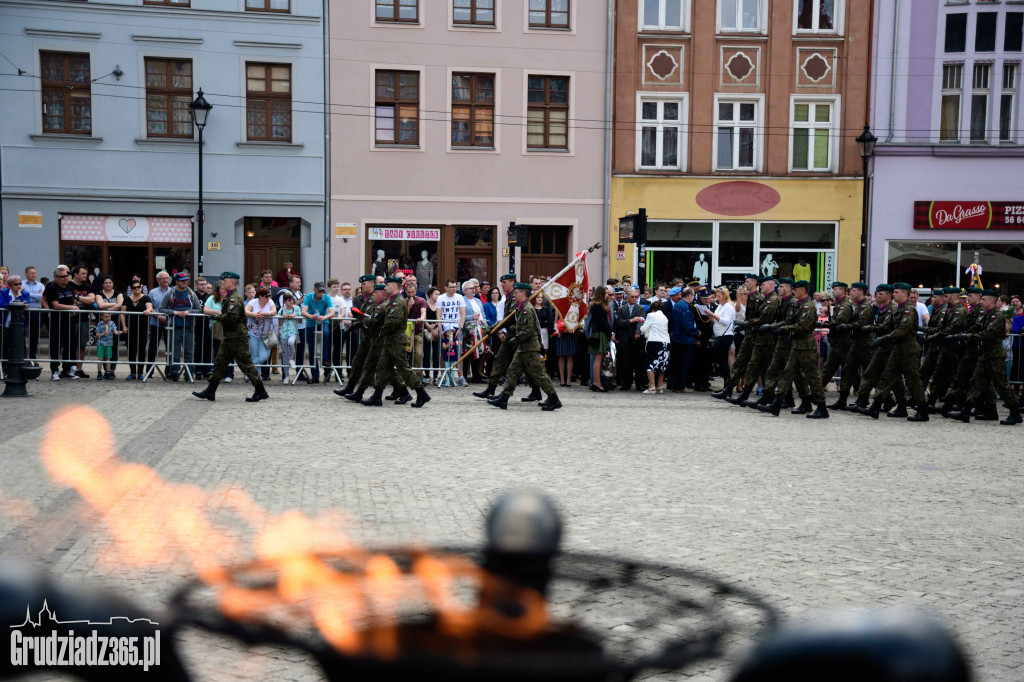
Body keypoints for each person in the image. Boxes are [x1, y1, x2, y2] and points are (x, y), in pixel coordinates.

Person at [192, 272, 268, 402]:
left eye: (225, 281)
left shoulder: (234, 298)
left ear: (232, 282)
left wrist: (216, 317)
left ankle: (260, 390)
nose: (223, 283)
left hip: (237, 337)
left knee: (246, 365)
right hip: (229, 337)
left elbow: (231, 317)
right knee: (219, 363)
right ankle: (210, 391)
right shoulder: (230, 297)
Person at [759, 281, 829, 419]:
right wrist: (775, 327)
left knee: (812, 378)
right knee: (787, 374)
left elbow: (802, 326)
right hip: (797, 345)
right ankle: (776, 405)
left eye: (796, 290)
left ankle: (822, 408)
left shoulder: (808, 306)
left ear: (802, 290)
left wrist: (785, 329)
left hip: (806, 346)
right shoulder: (797, 304)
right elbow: (789, 321)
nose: (794, 292)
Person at [950, 290, 1021, 425]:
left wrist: (967, 337)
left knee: (1002, 386)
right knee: (976, 382)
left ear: (991, 301)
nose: (981, 302)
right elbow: (977, 327)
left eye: (983, 300)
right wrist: (960, 334)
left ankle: (1015, 413)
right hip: (985, 354)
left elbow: (987, 333)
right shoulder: (985, 315)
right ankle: (966, 411)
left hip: (995, 356)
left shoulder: (997, 316)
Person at [486, 283, 561, 411]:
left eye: (516, 293)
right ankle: (503, 399)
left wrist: (513, 340)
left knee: (539, 375)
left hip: (529, 348)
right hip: (523, 348)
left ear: (523, 294)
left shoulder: (527, 309)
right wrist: (512, 329)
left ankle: (554, 399)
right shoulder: (521, 308)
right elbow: (521, 326)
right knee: (512, 372)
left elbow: (528, 330)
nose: (514, 295)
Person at [361, 276, 430, 408]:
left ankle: (422, 393)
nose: (385, 287)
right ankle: (377, 396)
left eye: (387, 285)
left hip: (396, 341)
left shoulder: (397, 302)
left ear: (394, 286)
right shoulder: (393, 301)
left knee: (404, 369)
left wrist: (380, 330)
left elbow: (393, 322)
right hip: (389, 340)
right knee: (382, 368)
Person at [727, 276, 781, 406]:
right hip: (756, 336)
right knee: (755, 366)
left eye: (763, 285)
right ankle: (742, 393)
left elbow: (763, 319)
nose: (761, 287)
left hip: (765, 339)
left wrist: (745, 324)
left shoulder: (769, 300)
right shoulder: (764, 298)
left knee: (763, 368)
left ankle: (774, 397)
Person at [712, 274, 759, 401]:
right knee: (739, 361)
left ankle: (744, 389)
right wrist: (738, 296)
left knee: (752, 363)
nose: (745, 295)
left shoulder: (757, 299)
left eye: (748, 282)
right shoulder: (732, 304)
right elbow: (737, 309)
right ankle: (733, 388)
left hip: (751, 334)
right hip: (740, 334)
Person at [158, 272, 202, 381]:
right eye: (182, 281)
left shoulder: (191, 293)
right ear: (176, 281)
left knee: (189, 351)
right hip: (174, 327)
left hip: (189, 327)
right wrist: (174, 312)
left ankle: (189, 374)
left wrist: (188, 312)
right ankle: (173, 373)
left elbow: (199, 309)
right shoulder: (170, 293)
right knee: (174, 351)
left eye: (186, 280)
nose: (185, 282)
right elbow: (162, 309)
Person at [613, 288, 647, 391]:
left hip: (637, 339)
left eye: (636, 297)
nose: (634, 299)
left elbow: (641, 321)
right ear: (627, 297)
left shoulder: (640, 308)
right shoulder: (622, 309)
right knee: (626, 363)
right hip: (625, 338)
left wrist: (637, 332)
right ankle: (626, 384)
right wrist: (631, 320)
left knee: (639, 363)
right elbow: (619, 322)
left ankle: (639, 384)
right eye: (632, 297)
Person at [301, 282, 334, 384]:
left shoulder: (326, 298)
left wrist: (324, 317)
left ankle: (325, 358)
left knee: (326, 334)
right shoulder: (308, 297)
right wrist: (311, 316)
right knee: (312, 349)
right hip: (311, 322)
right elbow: (303, 311)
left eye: (323, 291)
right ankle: (315, 375)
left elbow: (332, 312)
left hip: (323, 320)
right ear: (314, 290)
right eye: (319, 291)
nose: (321, 293)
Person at [667, 287, 699, 392]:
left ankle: (676, 385)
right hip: (686, 340)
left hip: (676, 338)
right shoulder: (685, 307)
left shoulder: (677, 305)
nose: (693, 298)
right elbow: (687, 325)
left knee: (677, 363)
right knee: (685, 364)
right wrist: (697, 332)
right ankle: (681, 386)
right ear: (689, 295)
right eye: (693, 295)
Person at [67, 266, 96, 378]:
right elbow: (69, 300)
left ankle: (79, 369)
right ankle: (68, 367)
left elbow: (92, 300)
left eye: (86, 273)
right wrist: (83, 299)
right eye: (83, 273)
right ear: (76, 274)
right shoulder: (69, 285)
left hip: (84, 319)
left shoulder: (88, 286)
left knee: (82, 345)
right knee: (69, 344)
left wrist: (78, 298)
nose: (85, 275)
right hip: (71, 319)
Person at [436, 279, 467, 386]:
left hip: (456, 327)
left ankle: (461, 376)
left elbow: (462, 314)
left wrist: (460, 328)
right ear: (446, 287)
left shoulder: (460, 297)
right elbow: (439, 314)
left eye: (455, 287)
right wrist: (440, 329)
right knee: (443, 353)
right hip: (445, 328)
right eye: (452, 287)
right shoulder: (441, 298)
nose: (454, 289)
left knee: (458, 353)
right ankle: (444, 376)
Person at [121, 279, 153, 380]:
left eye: (138, 287)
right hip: (130, 328)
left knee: (141, 350)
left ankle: (140, 372)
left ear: (141, 287)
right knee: (131, 350)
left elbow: (150, 307)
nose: (136, 289)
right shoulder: (127, 299)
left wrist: (147, 310)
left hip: (142, 328)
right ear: (131, 289)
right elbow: (122, 313)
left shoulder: (146, 298)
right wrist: (124, 326)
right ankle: (132, 372)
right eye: (134, 288)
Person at [93, 275, 124, 379]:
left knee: (113, 346)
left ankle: (111, 371)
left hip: (114, 321)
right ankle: (102, 371)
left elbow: (121, 304)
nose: (108, 284)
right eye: (106, 283)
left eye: (110, 282)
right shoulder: (99, 293)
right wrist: (114, 304)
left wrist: (108, 306)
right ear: (103, 284)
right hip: (102, 322)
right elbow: (100, 305)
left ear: (113, 284)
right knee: (102, 347)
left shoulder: (118, 293)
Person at [245, 287, 277, 381]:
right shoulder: (253, 302)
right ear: (260, 296)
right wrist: (255, 314)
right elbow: (246, 311)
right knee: (254, 355)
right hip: (254, 333)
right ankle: (256, 375)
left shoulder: (270, 302)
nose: (268, 298)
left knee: (264, 356)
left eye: (269, 296)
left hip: (268, 333)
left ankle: (248, 370)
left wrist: (266, 313)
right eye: (266, 296)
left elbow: (274, 311)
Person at [585, 286, 613, 392]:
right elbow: (602, 322)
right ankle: (596, 383)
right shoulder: (597, 306)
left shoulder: (599, 305)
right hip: (599, 334)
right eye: (606, 293)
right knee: (598, 359)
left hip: (601, 333)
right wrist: (610, 333)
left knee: (600, 359)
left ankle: (598, 382)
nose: (607, 295)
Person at [707, 286, 736, 385]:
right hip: (719, 335)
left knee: (724, 360)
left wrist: (713, 314)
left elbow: (726, 321)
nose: (717, 298)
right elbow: (715, 321)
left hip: (726, 336)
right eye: (716, 296)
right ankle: (726, 384)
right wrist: (710, 316)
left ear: (724, 296)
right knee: (721, 360)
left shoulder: (728, 306)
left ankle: (727, 385)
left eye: (719, 296)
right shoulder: (720, 306)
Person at [640, 300, 670, 394]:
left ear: (653, 309)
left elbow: (643, 329)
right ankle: (660, 386)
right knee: (662, 365)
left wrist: (642, 325)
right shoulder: (665, 317)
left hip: (654, 341)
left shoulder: (651, 315)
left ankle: (652, 386)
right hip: (666, 342)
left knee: (650, 364)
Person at [146, 271, 172, 378]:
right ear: (158, 280)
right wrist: (159, 317)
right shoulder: (152, 292)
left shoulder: (173, 291)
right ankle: (149, 371)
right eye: (163, 278)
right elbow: (150, 308)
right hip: (155, 323)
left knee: (169, 348)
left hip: (169, 323)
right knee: (152, 347)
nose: (165, 280)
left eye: (167, 278)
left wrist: (166, 318)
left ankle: (169, 371)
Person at [0, 275, 31, 363]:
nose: (18, 286)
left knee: (20, 346)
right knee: (4, 346)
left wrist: (19, 295)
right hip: (4, 324)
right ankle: (5, 368)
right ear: (10, 285)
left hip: (19, 324)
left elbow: (26, 304)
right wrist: (17, 306)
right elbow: (2, 304)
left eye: (20, 284)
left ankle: (22, 365)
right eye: (16, 284)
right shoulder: (3, 292)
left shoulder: (25, 293)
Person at [403, 277, 427, 381]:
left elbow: (424, 312)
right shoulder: (404, 301)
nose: (411, 294)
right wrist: (408, 306)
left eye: (413, 292)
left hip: (417, 332)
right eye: (409, 292)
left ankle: (419, 375)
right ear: (406, 292)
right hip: (406, 333)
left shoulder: (421, 300)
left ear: (416, 291)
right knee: (406, 354)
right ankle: (407, 376)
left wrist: (421, 319)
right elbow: (403, 316)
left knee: (418, 354)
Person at [22, 266, 45, 364]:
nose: (33, 274)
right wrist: (34, 295)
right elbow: (21, 295)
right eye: (31, 273)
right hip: (24, 310)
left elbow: (42, 297)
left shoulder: (40, 285)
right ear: (26, 274)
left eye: (35, 273)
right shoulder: (21, 283)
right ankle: (23, 356)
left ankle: (32, 356)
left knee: (34, 335)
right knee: (21, 334)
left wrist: (28, 294)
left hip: (36, 310)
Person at [278, 291, 301, 383]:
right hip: (283, 332)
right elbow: (279, 323)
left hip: (293, 332)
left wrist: (294, 315)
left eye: (292, 300)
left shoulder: (296, 308)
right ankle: (286, 376)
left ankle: (291, 358)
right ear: (284, 301)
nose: (291, 302)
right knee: (284, 354)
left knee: (291, 343)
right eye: (289, 300)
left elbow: (300, 321)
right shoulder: (282, 310)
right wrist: (282, 316)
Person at [92, 313, 121, 379]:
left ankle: (108, 372)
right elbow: (97, 335)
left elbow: (116, 332)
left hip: (109, 344)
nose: (108, 318)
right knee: (101, 358)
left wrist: (122, 331)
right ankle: (99, 373)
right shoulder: (99, 324)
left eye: (109, 317)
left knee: (108, 358)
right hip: (101, 344)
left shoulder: (112, 323)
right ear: (101, 317)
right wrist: (104, 333)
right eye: (106, 317)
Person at [423, 286, 442, 383]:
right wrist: (428, 326)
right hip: (427, 332)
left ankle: (435, 376)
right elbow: (423, 316)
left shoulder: (440, 305)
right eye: (436, 294)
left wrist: (436, 326)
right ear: (430, 294)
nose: (438, 296)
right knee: (426, 354)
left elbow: (441, 317)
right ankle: (427, 375)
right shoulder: (425, 304)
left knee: (436, 354)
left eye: (439, 294)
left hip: (437, 331)